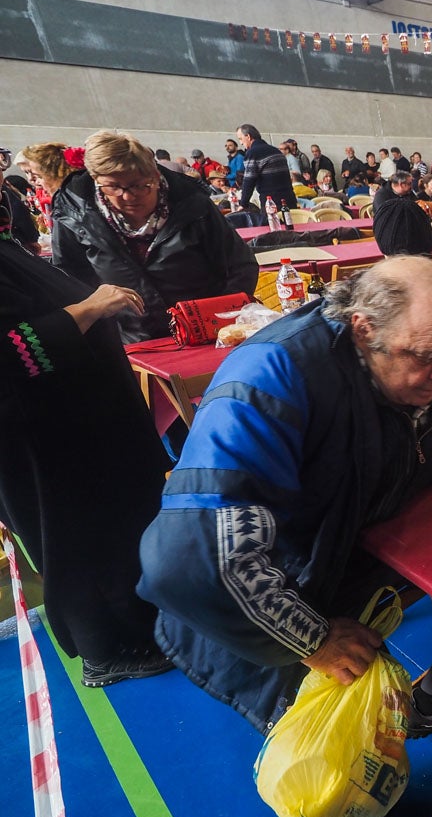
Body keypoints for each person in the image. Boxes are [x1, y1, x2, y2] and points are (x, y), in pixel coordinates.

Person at [138, 257, 432, 738]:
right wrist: (311, 640)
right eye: (425, 357)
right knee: (319, 763)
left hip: (357, 565)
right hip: (278, 596)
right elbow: (194, 554)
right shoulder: (271, 376)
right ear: (363, 329)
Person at [0, 186, 173, 688]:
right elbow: (11, 354)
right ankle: (107, 648)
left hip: (83, 423)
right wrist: (90, 308)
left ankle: (142, 620)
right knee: (77, 539)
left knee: (118, 525)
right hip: (40, 439)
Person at [45, 131, 257, 344]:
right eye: (113, 187)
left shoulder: (192, 204)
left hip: (205, 335)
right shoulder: (74, 213)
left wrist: (216, 317)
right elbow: (68, 280)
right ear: (95, 180)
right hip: (128, 341)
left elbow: (240, 266)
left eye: (139, 186)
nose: (128, 196)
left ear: (155, 176)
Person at [236, 124, 296, 224]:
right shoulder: (276, 151)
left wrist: (243, 203)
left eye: (240, 139)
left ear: (248, 137)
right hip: (290, 200)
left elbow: (248, 181)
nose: (241, 143)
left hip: (272, 203)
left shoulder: (252, 153)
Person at [372, 170, 432, 257]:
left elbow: (416, 208)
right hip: (390, 233)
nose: (411, 186)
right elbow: (384, 217)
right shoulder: (381, 195)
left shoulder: (408, 193)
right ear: (401, 184)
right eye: (409, 183)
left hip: (411, 233)